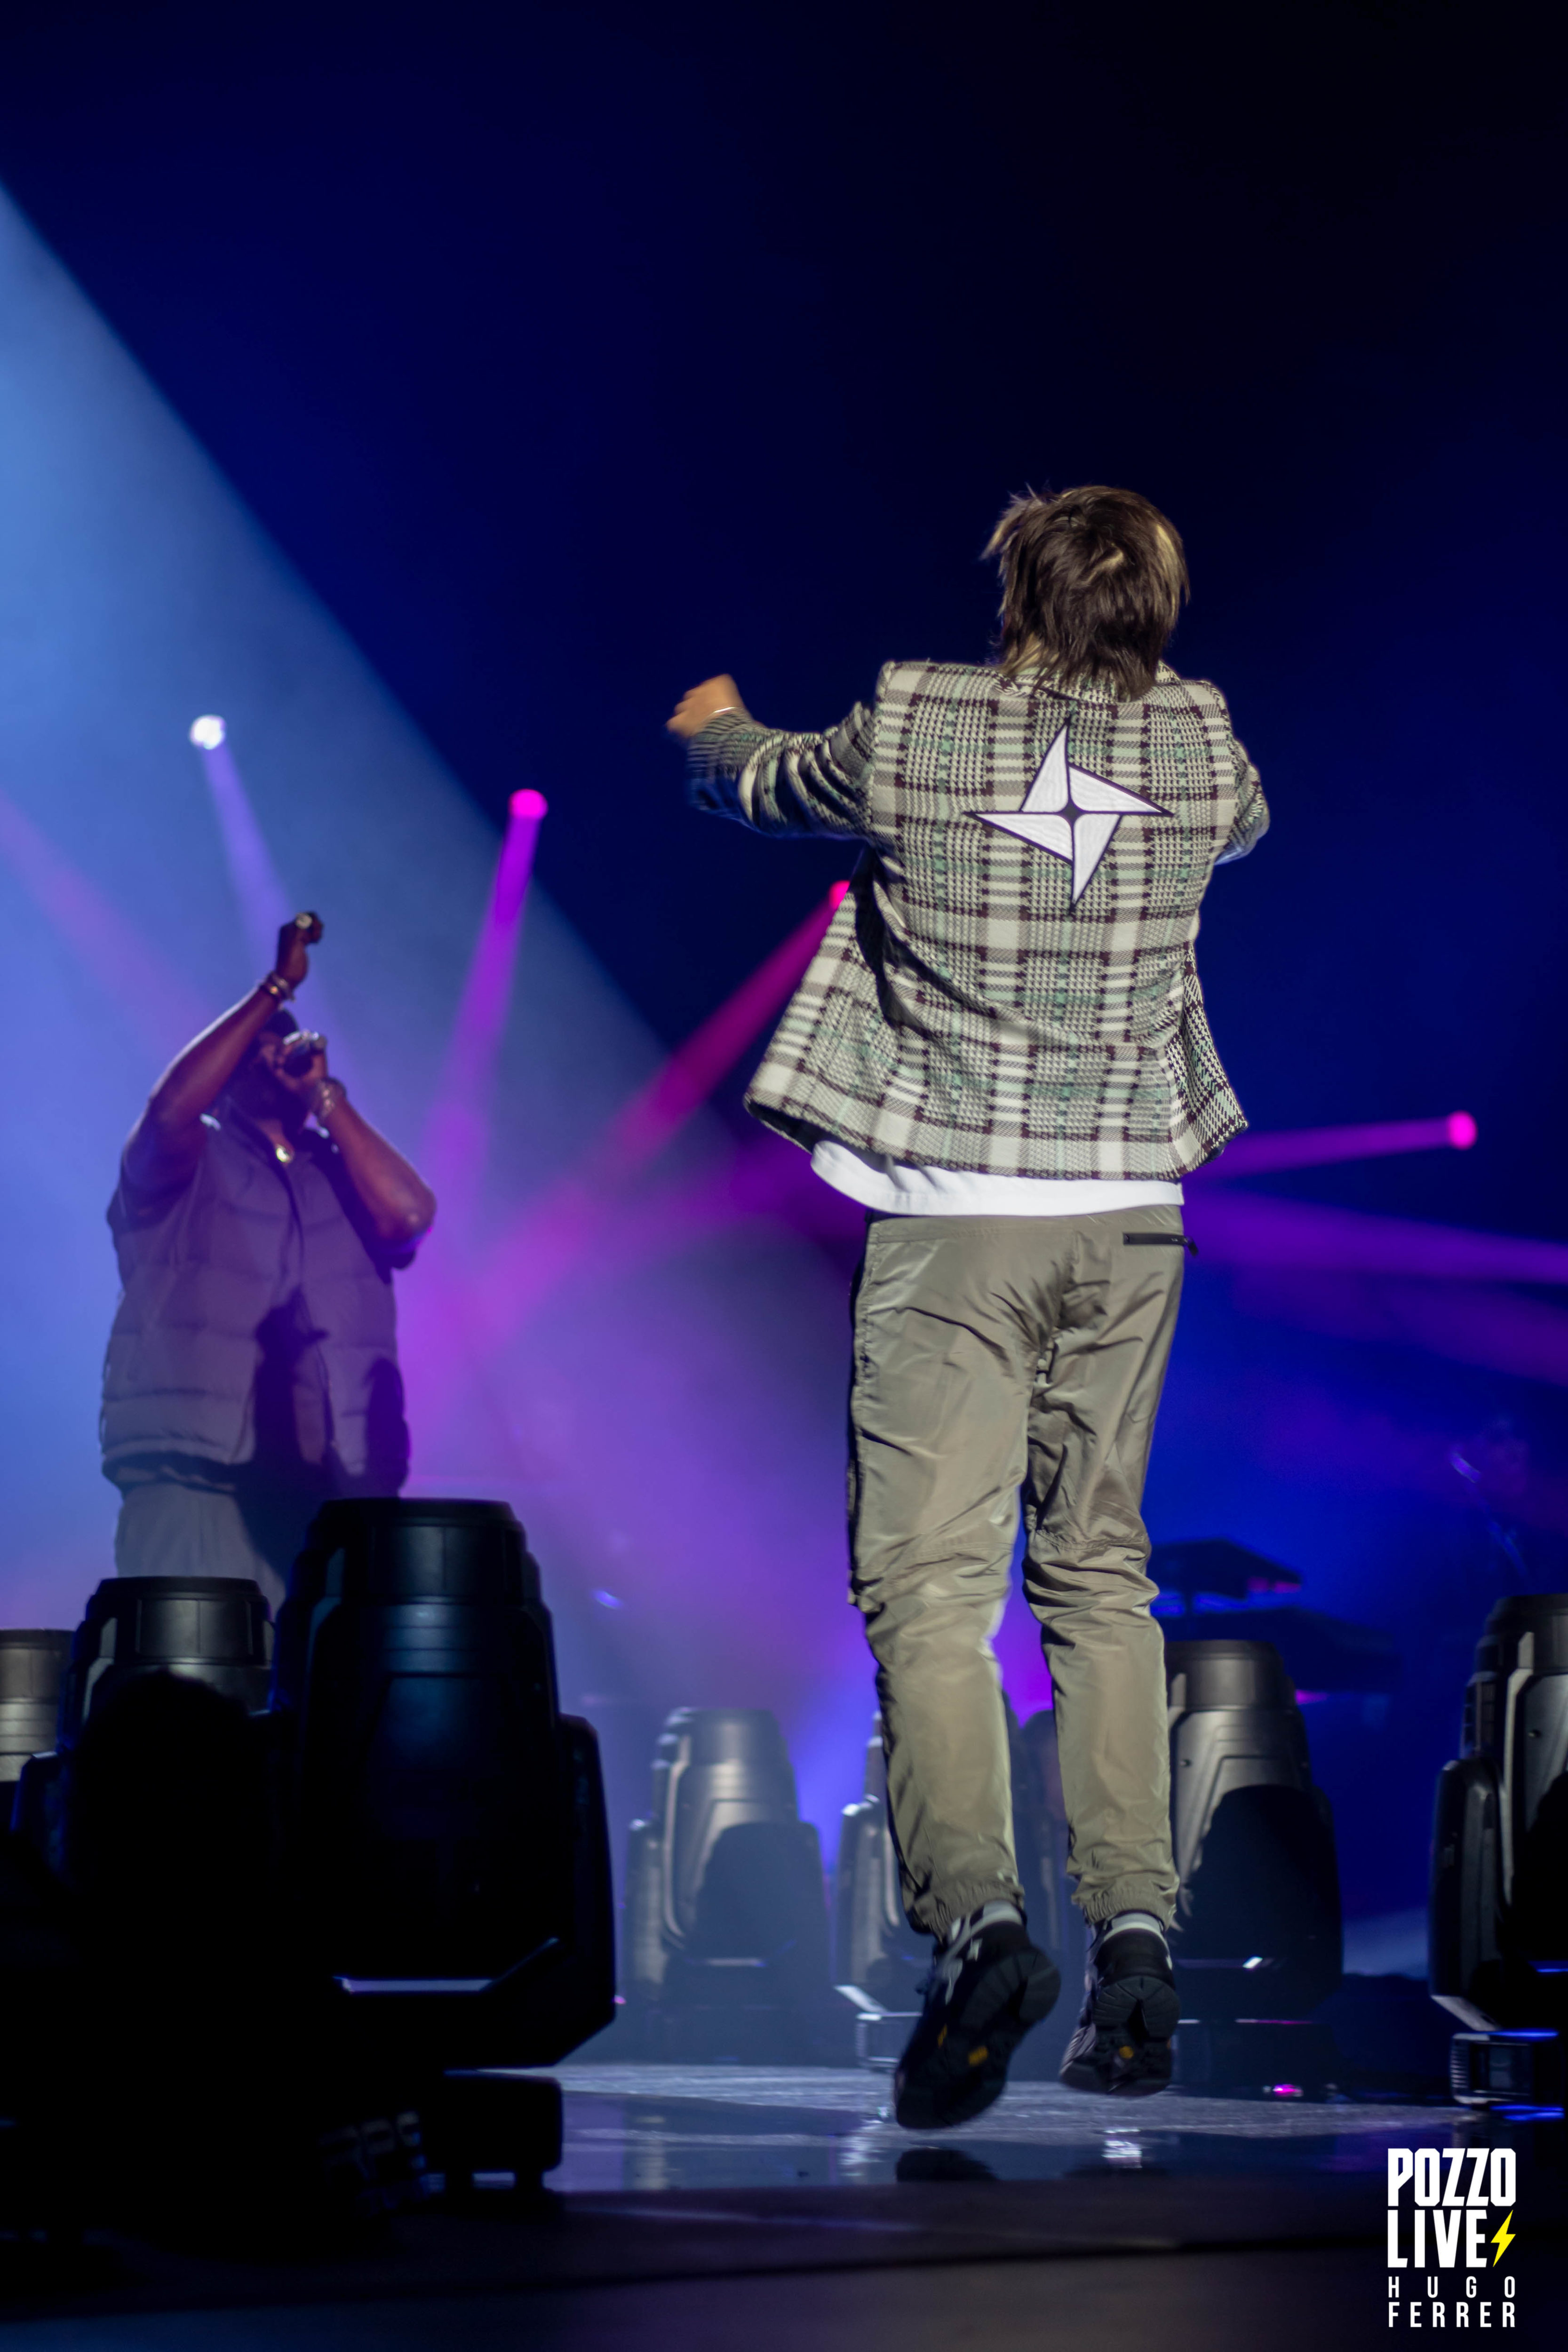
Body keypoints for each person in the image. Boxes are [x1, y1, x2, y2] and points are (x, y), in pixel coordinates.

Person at [668, 485, 1267, 2125]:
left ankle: (981, 1932)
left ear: (1017, 592)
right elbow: (1245, 826)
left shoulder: (922, 718)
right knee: (1103, 1581)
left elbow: (778, 785)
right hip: (1131, 1214)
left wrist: (713, 730)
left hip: (956, 1219)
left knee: (935, 1594)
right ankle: (1136, 1932)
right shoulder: (1203, 737)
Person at [101, 913, 437, 1612]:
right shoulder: (190, 1161)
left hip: (333, 1494)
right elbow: (168, 1114)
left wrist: (325, 1095)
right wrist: (276, 988)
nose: (272, 1053)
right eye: (252, 1049)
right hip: (198, 1480)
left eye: (282, 1043)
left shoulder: (342, 1171)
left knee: (326, 1709)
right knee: (195, 1699)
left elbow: (409, 1217)